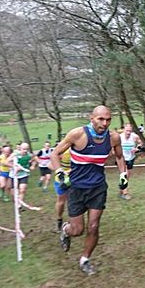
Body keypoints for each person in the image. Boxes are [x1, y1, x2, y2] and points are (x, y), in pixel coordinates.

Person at [50, 105, 128, 275]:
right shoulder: (77, 134)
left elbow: (120, 156)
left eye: (108, 119)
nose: (105, 123)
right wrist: (59, 172)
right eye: (101, 119)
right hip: (77, 188)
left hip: (98, 187)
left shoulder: (114, 137)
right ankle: (65, 230)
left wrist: (123, 175)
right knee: (77, 230)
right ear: (91, 118)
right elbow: (54, 154)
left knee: (93, 226)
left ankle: (85, 259)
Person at [7, 142, 37, 207]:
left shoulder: (29, 155)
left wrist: (33, 166)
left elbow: (34, 160)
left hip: (24, 174)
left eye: (27, 149)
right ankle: (16, 200)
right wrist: (14, 167)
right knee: (14, 191)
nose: (25, 151)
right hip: (14, 175)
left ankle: (19, 205)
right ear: (20, 148)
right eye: (24, 149)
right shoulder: (15, 154)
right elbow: (6, 162)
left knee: (22, 189)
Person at [118, 123, 142, 200]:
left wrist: (137, 149)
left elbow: (140, 143)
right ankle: (125, 193)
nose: (128, 132)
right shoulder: (119, 137)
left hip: (131, 157)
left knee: (127, 175)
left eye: (130, 131)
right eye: (127, 130)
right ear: (124, 130)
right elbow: (113, 146)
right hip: (122, 157)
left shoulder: (134, 136)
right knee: (124, 174)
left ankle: (122, 188)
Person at [52, 147, 71, 233]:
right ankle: (59, 220)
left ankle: (72, 222)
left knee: (73, 201)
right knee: (61, 201)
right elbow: (50, 164)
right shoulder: (63, 151)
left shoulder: (84, 149)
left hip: (76, 179)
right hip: (61, 180)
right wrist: (61, 171)